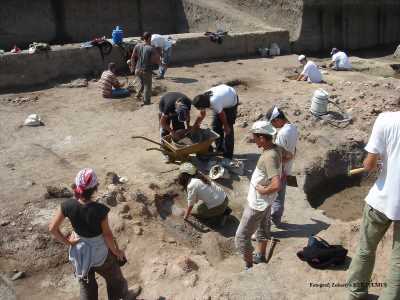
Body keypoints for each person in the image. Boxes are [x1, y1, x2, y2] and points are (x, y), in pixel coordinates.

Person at [49, 168, 131, 300]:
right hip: (100, 254)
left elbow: (52, 228)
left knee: (87, 286)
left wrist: (68, 243)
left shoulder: (67, 205)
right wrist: (116, 252)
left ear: (76, 186)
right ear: (95, 188)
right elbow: (107, 235)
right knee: (115, 281)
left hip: (80, 253)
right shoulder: (100, 210)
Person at [347, 112, 400, 300]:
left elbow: (369, 165)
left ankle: (356, 294)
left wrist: (381, 161)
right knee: (398, 262)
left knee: (365, 250)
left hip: (381, 200)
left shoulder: (386, 119)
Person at [235, 121, 282, 269]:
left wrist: (263, 190)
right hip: (266, 202)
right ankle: (260, 256)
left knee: (241, 237)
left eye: (254, 137)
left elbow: (276, 184)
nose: (252, 139)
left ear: (262, 138)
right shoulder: (276, 149)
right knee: (263, 228)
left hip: (257, 203)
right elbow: (289, 155)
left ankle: (249, 266)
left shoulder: (269, 157)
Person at [266, 106, 298, 226]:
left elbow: (277, 157)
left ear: (278, 120)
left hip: (280, 170)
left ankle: (271, 222)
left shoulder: (282, 134)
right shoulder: (293, 127)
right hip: (287, 168)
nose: (273, 126)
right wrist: (291, 157)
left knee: (274, 197)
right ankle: (277, 221)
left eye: (273, 123)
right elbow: (294, 150)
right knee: (280, 196)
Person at [192, 84, 239, 159]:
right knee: (215, 126)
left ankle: (228, 155)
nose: (199, 109)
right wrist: (195, 125)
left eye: (200, 108)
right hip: (223, 97)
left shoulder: (214, 101)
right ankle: (219, 148)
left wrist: (226, 126)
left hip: (231, 100)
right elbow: (202, 114)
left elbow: (222, 114)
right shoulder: (203, 99)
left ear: (203, 104)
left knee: (228, 130)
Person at [130, 32, 160, 105]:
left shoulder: (137, 46)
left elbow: (132, 57)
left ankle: (137, 95)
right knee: (147, 86)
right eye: (151, 37)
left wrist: (132, 68)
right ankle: (146, 102)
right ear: (149, 38)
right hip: (146, 70)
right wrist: (161, 64)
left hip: (137, 70)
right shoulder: (151, 48)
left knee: (142, 83)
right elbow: (156, 59)